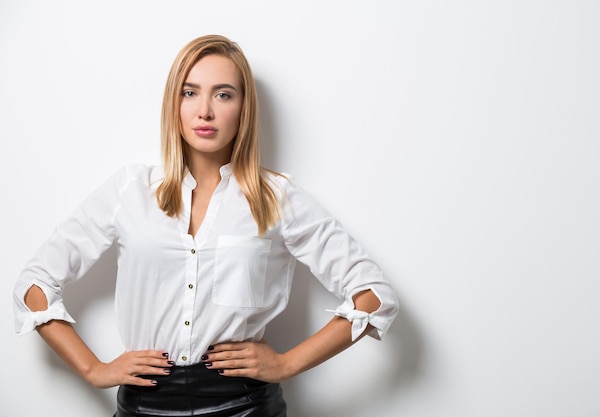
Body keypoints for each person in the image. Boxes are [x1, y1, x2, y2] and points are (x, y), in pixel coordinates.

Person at [13, 34, 399, 417]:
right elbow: (36, 283)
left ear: (244, 107)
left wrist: (287, 363)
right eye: (190, 92)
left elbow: (373, 295)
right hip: (144, 404)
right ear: (173, 104)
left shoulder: (276, 197)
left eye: (223, 94)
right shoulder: (130, 189)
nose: (205, 111)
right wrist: (94, 369)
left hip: (245, 405)